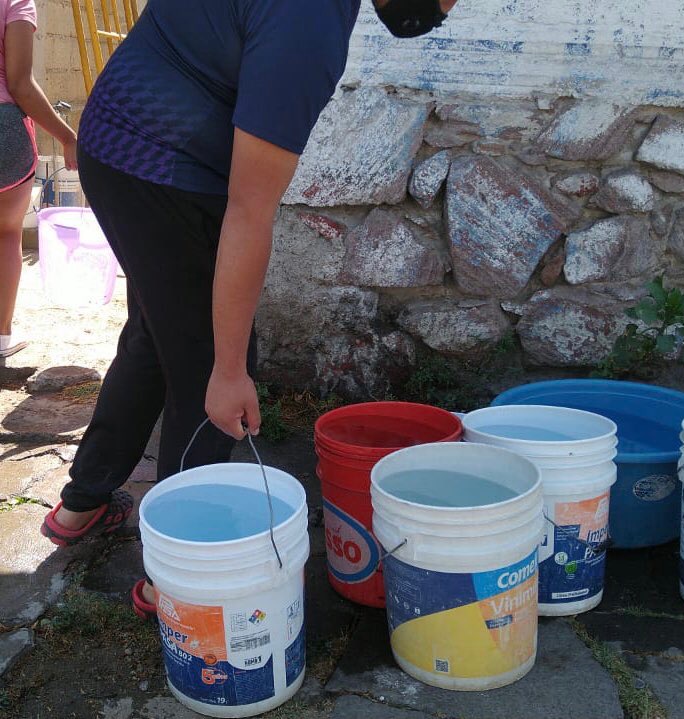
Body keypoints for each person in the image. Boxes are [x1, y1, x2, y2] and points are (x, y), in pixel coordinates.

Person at [39, 0, 458, 618]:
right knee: (210, 362)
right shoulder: (310, 25)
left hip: (116, 143)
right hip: (161, 169)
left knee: (158, 334)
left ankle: (84, 502)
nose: (449, 9)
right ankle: (172, 579)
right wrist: (231, 372)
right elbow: (249, 209)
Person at [0, 0, 77, 359]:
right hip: (5, 132)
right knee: (7, 233)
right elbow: (20, 83)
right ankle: (1, 338)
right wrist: (68, 138)